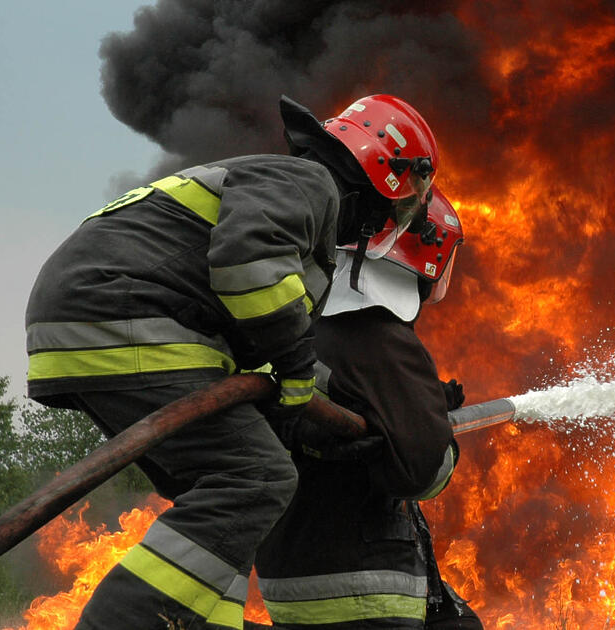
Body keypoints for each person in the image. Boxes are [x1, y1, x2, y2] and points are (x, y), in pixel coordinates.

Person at [24, 93, 440, 630]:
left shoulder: (283, 187)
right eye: (404, 202)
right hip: (124, 311)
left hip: (95, 315)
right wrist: (296, 368)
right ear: (386, 174)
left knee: (223, 501)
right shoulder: (311, 183)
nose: (391, 219)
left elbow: (252, 332)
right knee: (258, 478)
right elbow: (248, 267)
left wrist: (315, 405)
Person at [254, 188, 482, 629]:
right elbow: (423, 472)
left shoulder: (301, 326)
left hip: (290, 574)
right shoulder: (380, 337)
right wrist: (436, 428)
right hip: (363, 586)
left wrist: (419, 402)